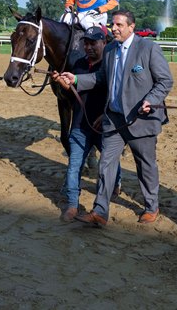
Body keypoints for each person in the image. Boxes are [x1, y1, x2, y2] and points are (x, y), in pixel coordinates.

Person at [59, 10, 173, 226]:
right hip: (113, 119)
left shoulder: (148, 48)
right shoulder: (111, 49)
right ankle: (100, 211)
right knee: (105, 164)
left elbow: (165, 81)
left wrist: (150, 99)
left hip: (142, 120)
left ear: (132, 27)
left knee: (145, 165)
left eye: (120, 25)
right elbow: (101, 78)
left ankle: (151, 206)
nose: (114, 28)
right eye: (113, 24)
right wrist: (76, 79)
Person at [51, 26, 121, 222]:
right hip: (80, 126)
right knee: (74, 167)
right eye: (86, 43)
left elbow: (116, 95)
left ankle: (116, 182)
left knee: (109, 163)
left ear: (103, 43)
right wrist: (63, 84)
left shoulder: (111, 66)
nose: (89, 47)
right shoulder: (78, 64)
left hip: (104, 127)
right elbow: (70, 92)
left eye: (93, 43)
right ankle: (72, 205)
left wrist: (106, 116)